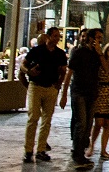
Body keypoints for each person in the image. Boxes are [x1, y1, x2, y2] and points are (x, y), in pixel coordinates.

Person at [22, 27, 68, 164]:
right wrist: (29, 72)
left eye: (58, 36)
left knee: (47, 120)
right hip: (36, 86)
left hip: (50, 87)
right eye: (54, 36)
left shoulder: (60, 54)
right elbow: (23, 66)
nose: (56, 39)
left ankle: (41, 149)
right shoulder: (37, 51)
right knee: (33, 117)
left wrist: (58, 85)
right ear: (48, 37)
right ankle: (28, 150)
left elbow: (63, 71)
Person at [61, 27, 104, 168]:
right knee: (81, 122)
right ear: (90, 38)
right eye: (97, 37)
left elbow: (106, 69)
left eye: (100, 38)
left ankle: (81, 150)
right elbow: (69, 73)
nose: (99, 40)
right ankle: (78, 153)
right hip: (79, 91)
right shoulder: (78, 52)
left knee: (88, 124)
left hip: (92, 92)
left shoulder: (97, 54)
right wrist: (64, 94)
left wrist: (100, 54)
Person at [85, 42, 109, 161]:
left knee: (107, 124)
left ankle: (103, 149)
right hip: (100, 93)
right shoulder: (100, 64)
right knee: (98, 123)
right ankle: (92, 145)